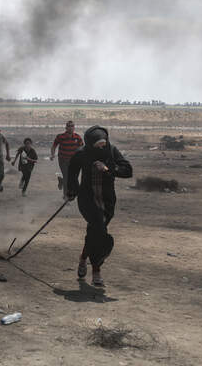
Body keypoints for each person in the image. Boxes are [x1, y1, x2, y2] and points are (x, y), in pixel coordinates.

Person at [66, 125, 132, 287]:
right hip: (87, 199)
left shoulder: (111, 151)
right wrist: (72, 190)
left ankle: (83, 259)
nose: (102, 147)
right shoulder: (81, 154)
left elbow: (128, 170)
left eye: (104, 143)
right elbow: (72, 173)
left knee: (94, 232)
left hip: (107, 200)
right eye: (98, 145)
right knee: (99, 229)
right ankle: (96, 270)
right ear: (90, 144)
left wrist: (108, 168)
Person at [51, 121, 83, 199]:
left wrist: (81, 157)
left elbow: (81, 148)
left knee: (72, 177)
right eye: (69, 126)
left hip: (73, 161)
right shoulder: (60, 137)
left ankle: (62, 181)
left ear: (74, 128)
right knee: (67, 177)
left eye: (72, 126)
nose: (70, 128)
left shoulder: (77, 137)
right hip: (63, 160)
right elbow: (54, 146)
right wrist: (52, 154)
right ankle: (65, 195)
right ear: (66, 128)